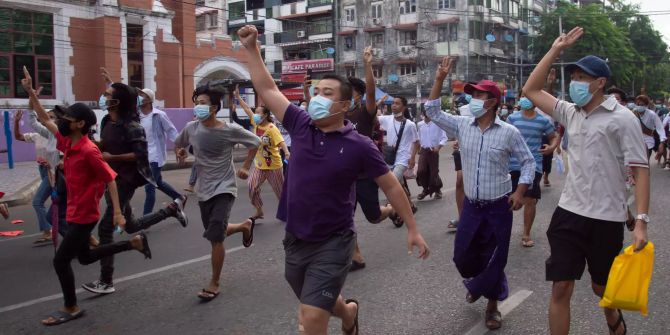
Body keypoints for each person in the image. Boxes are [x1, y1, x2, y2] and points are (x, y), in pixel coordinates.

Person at [238, 25, 429, 335]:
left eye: (327, 94)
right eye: (316, 92)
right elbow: (269, 89)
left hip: (334, 241)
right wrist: (251, 50)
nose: (317, 98)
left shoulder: (359, 146)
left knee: (311, 320)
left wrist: (412, 227)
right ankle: (349, 312)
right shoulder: (301, 124)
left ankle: (335, 315)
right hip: (296, 236)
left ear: (343, 106)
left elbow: (391, 185)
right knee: (317, 300)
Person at [523, 27, 650, 335]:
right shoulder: (570, 112)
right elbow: (531, 90)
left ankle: (612, 315)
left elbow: (641, 169)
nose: (576, 83)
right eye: (575, 76)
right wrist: (555, 50)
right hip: (569, 214)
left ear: (600, 83)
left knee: (600, 288)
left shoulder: (623, 119)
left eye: (582, 78)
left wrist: (641, 222)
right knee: (561, 288)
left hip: (605, 219)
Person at [19, 67, 152, 326]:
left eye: (67, 118)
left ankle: (71, 306)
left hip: (84, 216)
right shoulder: (69, 142)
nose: (61, 121)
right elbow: (44, 119)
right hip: (73, 212)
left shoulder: (89, 150)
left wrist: (115, 212)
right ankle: (133, 244)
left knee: (60, 261)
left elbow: (111, 178)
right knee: (85, 257)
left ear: (80, 124)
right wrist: (29, 93)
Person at [427, 57, 535, 331]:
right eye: (472, 94)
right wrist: (439, 78)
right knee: (462, 256)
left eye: (479, 95)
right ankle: (479, 283)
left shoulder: (509, 132)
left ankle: (491, 306)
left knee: (496, 258)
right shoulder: (462, 125)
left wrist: (520, 192)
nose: (473, 99)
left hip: (499, 206)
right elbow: (432, 111)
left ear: (492, 102)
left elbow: (528, 161)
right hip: (473, 208)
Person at [82, 82, 188, 295]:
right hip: (111, 177)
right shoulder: (107, 121)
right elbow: (106, 143)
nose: (104, 97)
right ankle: (171, 210)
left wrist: (114, 157)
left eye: (108, 94)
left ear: (118, 101)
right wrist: (93, 147)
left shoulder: (133, 126)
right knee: (130, 226)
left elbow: (140, 155)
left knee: (106, 228)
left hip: (126, 179)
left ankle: (106, 280)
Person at [174, 84, 260, 301]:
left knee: (215, 237)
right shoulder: (191, 128)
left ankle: (214, 282)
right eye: (196, 103)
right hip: (204, 190)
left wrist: (246, 166)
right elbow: (179, 145)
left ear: (213, 108)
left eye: (202, 103)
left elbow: (256, 142)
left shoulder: (230, 130)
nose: (197, 107)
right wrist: (181, 152)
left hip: (225, 188)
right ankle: (244, 226)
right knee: (215, 231)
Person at [345, 47, 399, 271]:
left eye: (348, 91)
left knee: (374, 217)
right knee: (345, 217)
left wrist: (367, 65)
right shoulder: (341, 114)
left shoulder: (365, 113)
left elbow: (370, 92)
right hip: (345, 175)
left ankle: (391, 210)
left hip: (365, 174)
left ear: (357, 93)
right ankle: (356, 256)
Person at [507, 96, 559, 247]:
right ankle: (501, 230)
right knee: (510, 201)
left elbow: (553, 137)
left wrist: (551, 147)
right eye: (523, 96)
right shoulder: (512, 118)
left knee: (530, 200)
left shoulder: (543, 121)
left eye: (529, 96)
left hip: (534, 165)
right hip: (512, 165)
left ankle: (526, 233)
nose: (526, 99)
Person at [233, 86, 289, 220]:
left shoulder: (271, 128)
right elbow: (247, 109)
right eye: (255, 112)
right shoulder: (256, 123)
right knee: (252, 186)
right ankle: (259, 210)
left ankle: (289, 212)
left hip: (274, 166)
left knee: (280, 193)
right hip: (259, 165)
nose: (255, 115)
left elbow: (281, 142)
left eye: (258, 113)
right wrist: (238, 97)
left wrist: (287, 153)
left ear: (265, 115)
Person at [13, 99, 60, 244]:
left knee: (38, 202)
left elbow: (62, 156)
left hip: (53, 172)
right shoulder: (40, 134)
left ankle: (48, 231)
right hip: (43, 171)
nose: (48, 119)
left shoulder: (58, 136)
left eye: (51, 117)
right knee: (55, 204)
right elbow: (20, 134)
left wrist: (51, 163)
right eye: (47, 117)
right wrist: (17, 121)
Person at [138, 88, 187, 215]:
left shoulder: (158, 115)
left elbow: (171, 131)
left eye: (142, 95)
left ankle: (145, 219)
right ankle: (180, 197)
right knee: (157, 182)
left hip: (155, 156)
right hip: (142, 156)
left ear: (149, 99)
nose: (139, 97)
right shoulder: (136, 116)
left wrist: (179, 147)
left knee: (150, 186)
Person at [378, 97, 420, 215]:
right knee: (400, 185)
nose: (394, 105)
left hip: (403, 159)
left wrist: (412, 158)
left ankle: (394, 210)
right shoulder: (387, 119)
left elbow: (416, 142)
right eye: (393, 103)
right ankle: (411, 206)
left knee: (392, 182)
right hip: (390, 158)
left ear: (404, 107)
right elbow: (370, 117)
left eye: (397, 103)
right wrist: (378, 104)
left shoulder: (410, 124)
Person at [416, 108, 447, 200]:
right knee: (421, 171)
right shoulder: (420, 124)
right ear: (424, 114)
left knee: (433, 172)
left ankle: (437, 190)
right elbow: (418, 137)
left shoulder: (438, 124)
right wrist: (419, 148)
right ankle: (426, 189)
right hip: (424, 150)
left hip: (434, 151)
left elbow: (444, 138)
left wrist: (438, 147)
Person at [632, 95, 667, 159]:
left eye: (642, 105)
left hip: (648, 142)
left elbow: (660, 128)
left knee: (645, 161)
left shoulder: (652, 114)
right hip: (635, 141)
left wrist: (662, 142)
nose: (640, 106)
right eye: (638, 104)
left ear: (646, 105)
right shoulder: (633, 113)